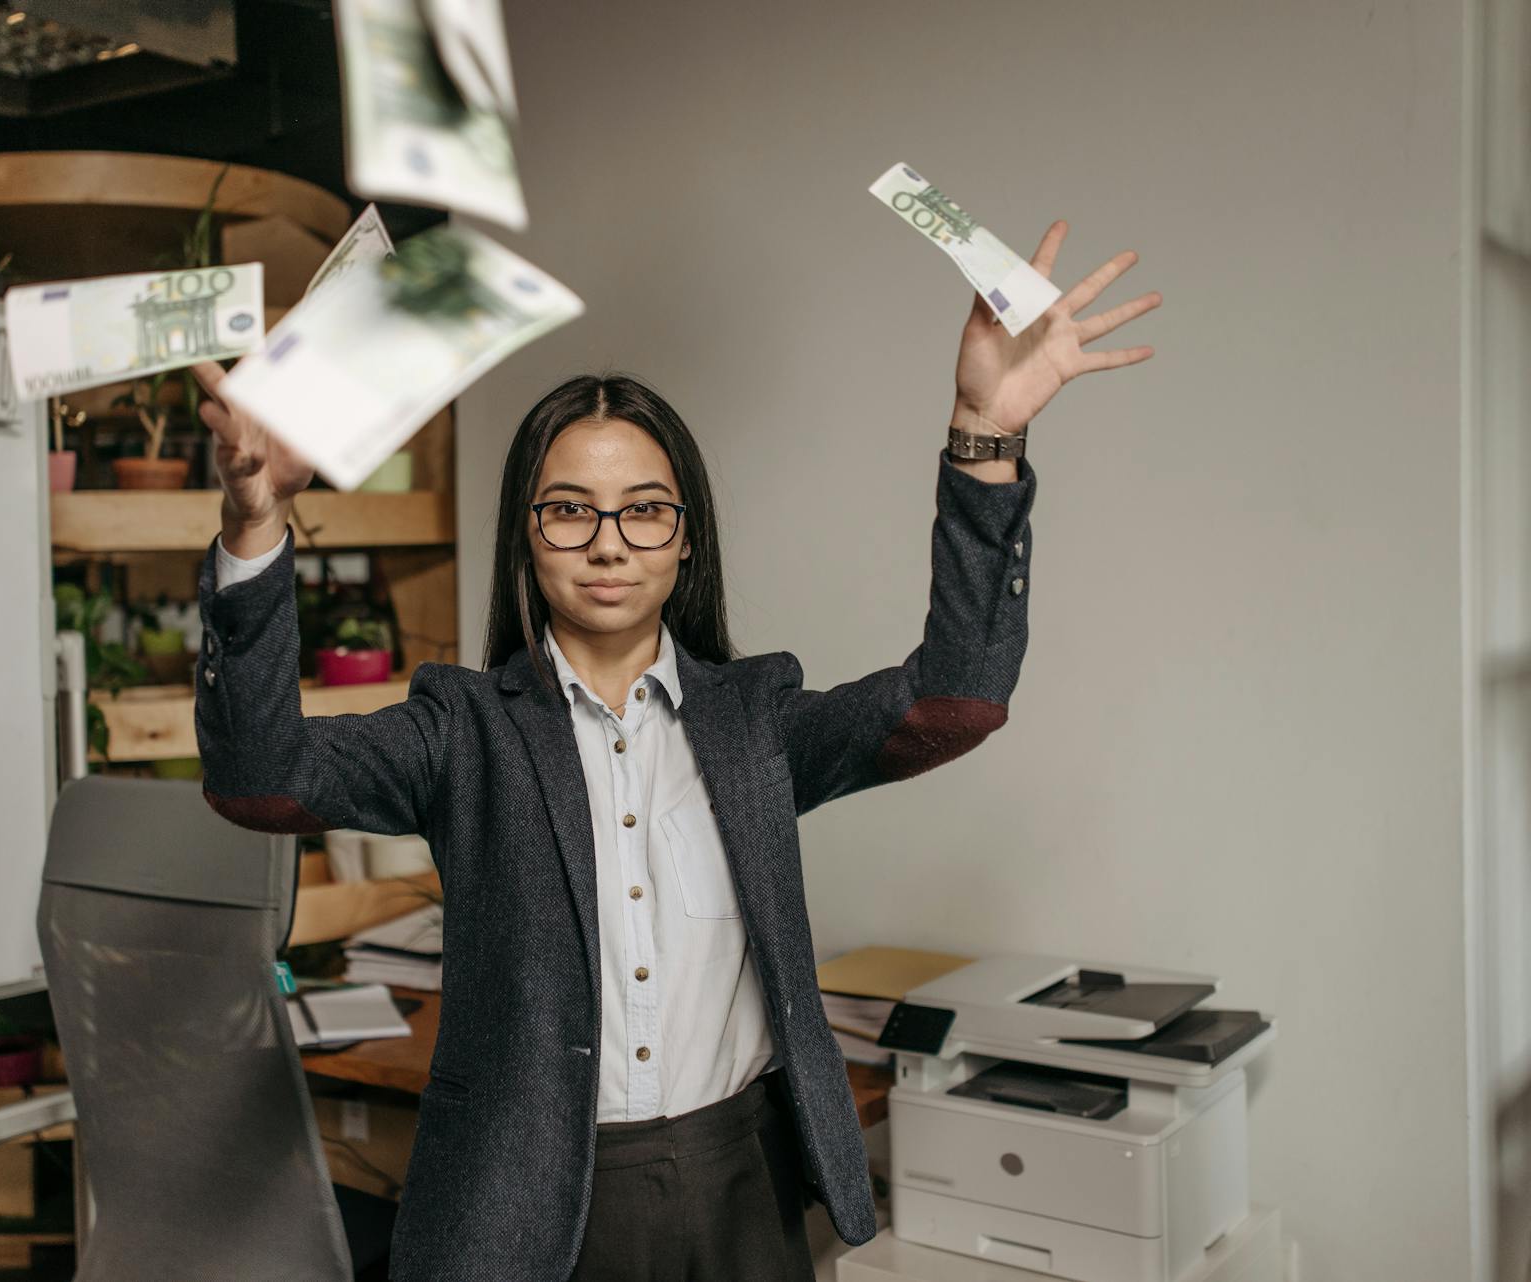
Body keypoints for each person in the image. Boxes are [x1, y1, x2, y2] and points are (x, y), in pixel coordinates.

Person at [188, 220, 1158, 1282]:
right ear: (528, 531)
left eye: (646, 511)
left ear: (686, 536)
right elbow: (258, 777)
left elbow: (958, 702)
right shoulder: (460, 729)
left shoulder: (758, 720)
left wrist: (983, 435)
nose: (609, 541)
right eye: (570, 511)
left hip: (736, 1183)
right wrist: (253, 530)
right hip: (527, 1210)